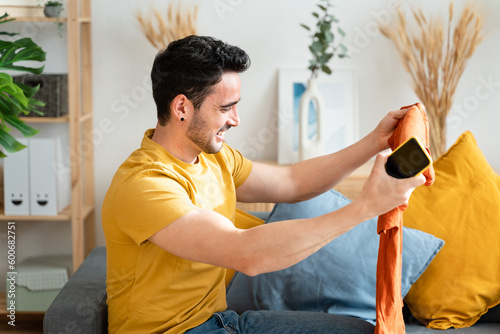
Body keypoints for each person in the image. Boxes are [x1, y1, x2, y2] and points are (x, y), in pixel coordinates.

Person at [101, 35, 425, 334]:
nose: (235, 119)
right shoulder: (144, 184)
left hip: (220, 322)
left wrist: (374, 142)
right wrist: (365, 207)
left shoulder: (215, 156)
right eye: (226, 107)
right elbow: (247, 254)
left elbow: (292, 181)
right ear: (182, 107)